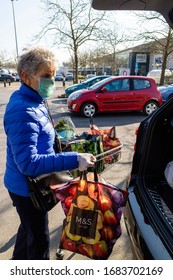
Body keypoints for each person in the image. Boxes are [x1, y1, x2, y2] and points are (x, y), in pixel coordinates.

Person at [3, 46, 96, 260]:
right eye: (46, 76)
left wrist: (67, 140)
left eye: (53, 75)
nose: (51, 81)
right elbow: (28, 163)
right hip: (26, 188)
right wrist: (74, 159)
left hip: (32, 183)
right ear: (26, 76)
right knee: (39, 242)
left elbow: (41, 136)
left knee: (28, 231)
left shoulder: (35, 100)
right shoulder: (22, 109)